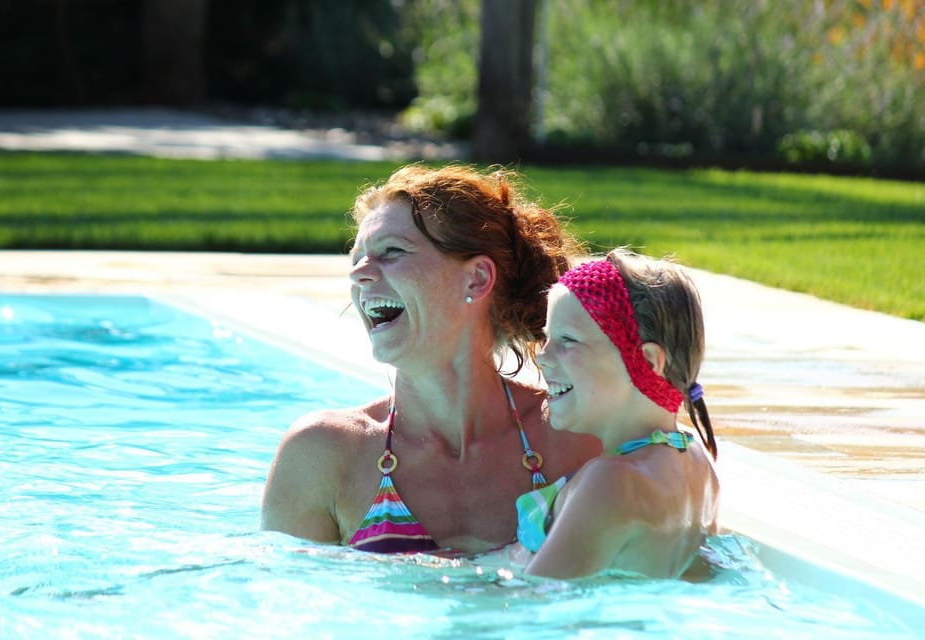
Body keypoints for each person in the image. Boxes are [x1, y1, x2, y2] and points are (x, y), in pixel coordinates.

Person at [261, 164, 601, 554]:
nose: (360, 275)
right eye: (357, 259)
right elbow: (287, 602)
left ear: (476, 279)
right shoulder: (323, 454)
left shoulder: (576, 437)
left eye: (391, 252)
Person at [514, 248, 719, 579]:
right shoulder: (696, 462)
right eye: (547, 338)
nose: (543, 357)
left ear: (648, 362)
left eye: (567, 340)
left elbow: (537, 600)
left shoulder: (611, 482)